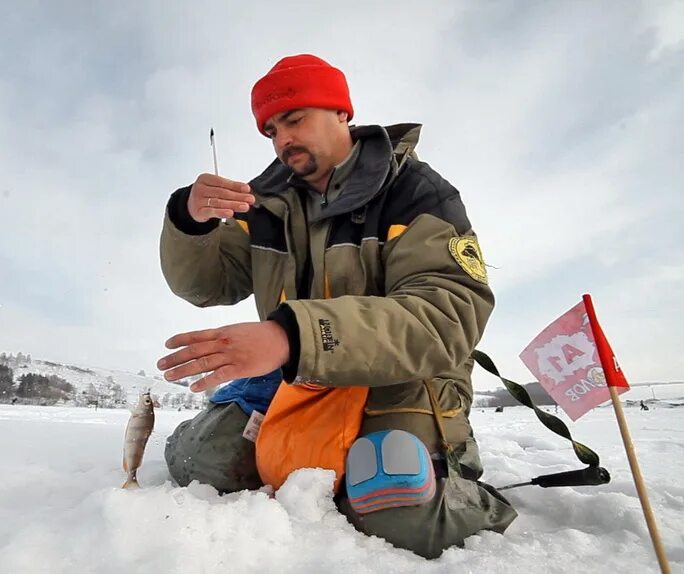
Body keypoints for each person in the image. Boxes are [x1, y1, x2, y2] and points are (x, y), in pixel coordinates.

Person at [156, 54, 517, 558]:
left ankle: (459, 487)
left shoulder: (416, 191)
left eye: (295, 118)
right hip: (297, 379)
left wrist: (291, 334)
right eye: (272, 129)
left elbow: (447, 315)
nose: (282, 138)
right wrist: (189, 221)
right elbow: (207, 285)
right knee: (204, 463)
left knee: (396, 507)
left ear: (342, 113)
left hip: (399, 378)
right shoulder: (264, 205)